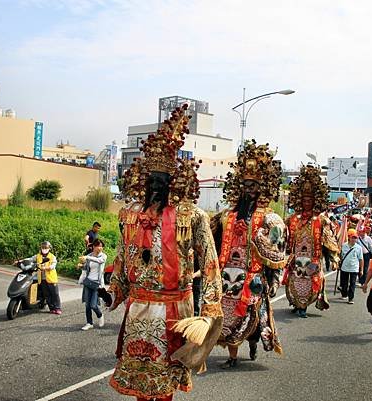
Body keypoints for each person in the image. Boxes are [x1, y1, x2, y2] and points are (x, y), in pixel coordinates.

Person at [108, 105, 223, 401]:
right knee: (140, 378)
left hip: (174, 308)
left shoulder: (191, 216)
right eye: (151, 180)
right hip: (138, 307)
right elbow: (122, 256)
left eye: (162, 180)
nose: (156, 185)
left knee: (166, 378)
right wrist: (114, 290)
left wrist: (209, 311)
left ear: (173, 182)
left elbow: (210, 264)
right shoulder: (130, 214)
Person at [211, 141, 285, 368]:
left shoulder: (271, 219)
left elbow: (277, 255)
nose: (249, 189)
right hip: (226, 278)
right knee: (226, 318)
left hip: (252, 279)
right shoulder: (226, 216)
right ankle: (232, 356)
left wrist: (274, 280)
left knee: (250, 317)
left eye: (253, 185)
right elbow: (211, 244)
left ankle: (252, 342)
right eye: (245, 185)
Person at [283, 165, 339, 318]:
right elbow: (283, 237)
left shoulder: (321, 221)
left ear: (315, 201)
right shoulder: (292, 219)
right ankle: (296, 303)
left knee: (309, 282)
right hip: (295, 259)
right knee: (294, 281)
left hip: (313, 259)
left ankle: (303, 307)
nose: (307, 202)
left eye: (310, 200)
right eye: (304, 199)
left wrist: (334, 258)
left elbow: (329, 240)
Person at [19, 241, 62, 315]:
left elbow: (53, 265)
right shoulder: (38, 256)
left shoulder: (52, 257)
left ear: (49, 248)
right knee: (47, 294)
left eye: (46, 248)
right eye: (43, 248)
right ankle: (51, 308)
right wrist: (22, 260)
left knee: (54, 294)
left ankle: (57, 308)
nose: (44, 249)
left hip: (51, 278)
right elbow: (30, 259)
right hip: (42, 278)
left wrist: (46, 268)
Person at [80, 238, 107, 330]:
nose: (99, 248)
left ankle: (100, 315)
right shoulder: (89, 256)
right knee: (87, 304)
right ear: (93, 246)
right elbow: (86, 268)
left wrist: (87, 257)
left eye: (101, 246)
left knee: (93, 305)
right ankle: (89, 323)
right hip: (88, 282)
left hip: (97, 284)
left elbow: (99, 261)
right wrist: (81, 266)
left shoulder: (103, 256)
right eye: (97, 246)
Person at [338, 229, 364, 304]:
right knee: (344, 283)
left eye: (355, 238)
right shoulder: (344, 245)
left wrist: (361, 270)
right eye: (352, 237)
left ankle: (351, 298)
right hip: (344, 267)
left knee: (352, 284)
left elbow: (361, 259)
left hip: (354, 268)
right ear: (349, 237)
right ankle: (344, 294)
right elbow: (340, 256)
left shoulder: (358, 247)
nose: (354, 239)